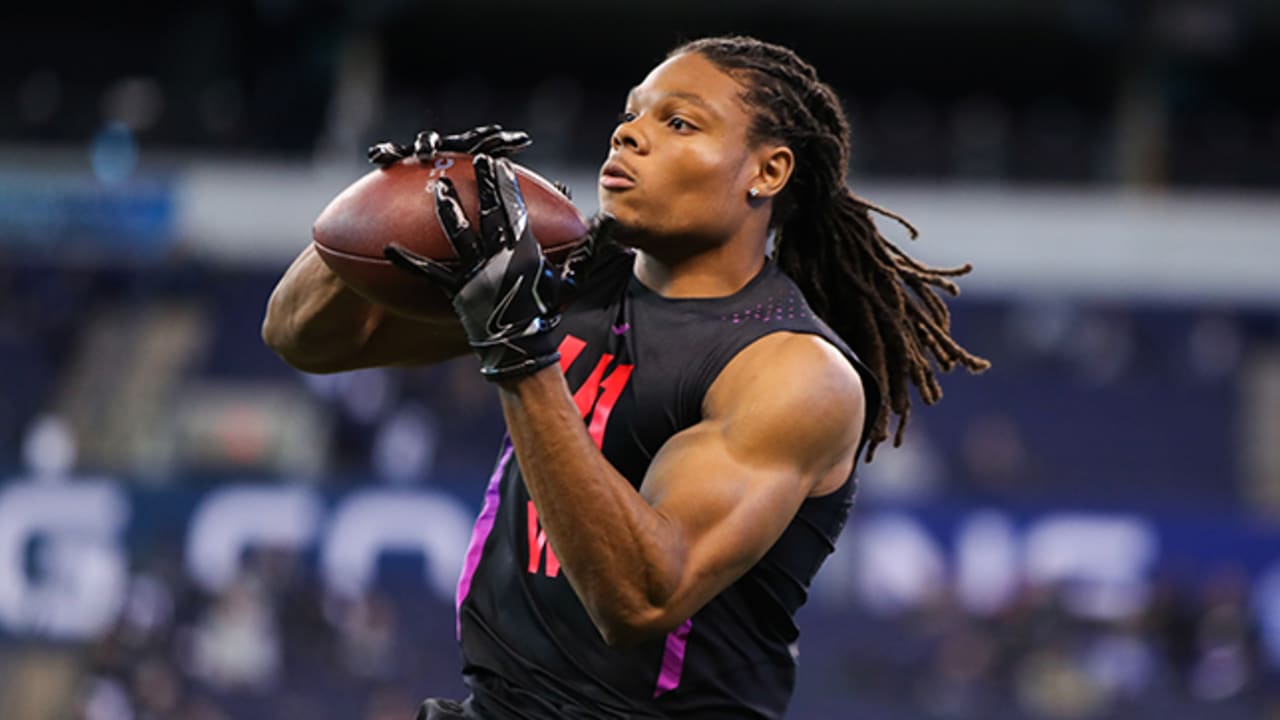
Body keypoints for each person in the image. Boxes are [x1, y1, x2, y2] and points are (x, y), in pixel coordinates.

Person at [263, 34, 988, 719]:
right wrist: (401, 200)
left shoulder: (791, 370)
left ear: (767, 172)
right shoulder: (574, 271)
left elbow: (639, 599)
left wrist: (520, 351)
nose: (629, 134)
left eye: (679, 122)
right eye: (631, 114)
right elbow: (307, 337)